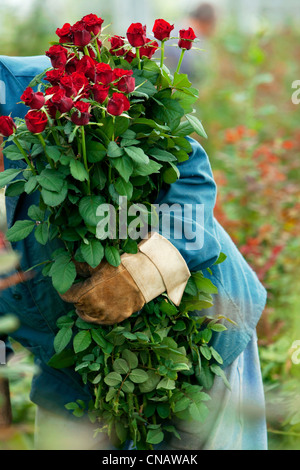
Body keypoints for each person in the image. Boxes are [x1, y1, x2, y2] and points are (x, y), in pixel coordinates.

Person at [0, 54, 268, 450]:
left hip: (186, 337)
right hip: (74, 374)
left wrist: (144, 273)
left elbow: (186, 174)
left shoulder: (47, 87)